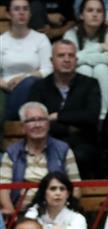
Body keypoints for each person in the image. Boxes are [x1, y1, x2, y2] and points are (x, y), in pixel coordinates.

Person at [29, 41, 101, 177]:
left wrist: (57, 116)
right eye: (61, 55)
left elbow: (91, 117)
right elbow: (35, 120)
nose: (67, 59)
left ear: (76, 60)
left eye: (71, 55)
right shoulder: (39, 87)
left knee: (84, 155)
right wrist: (70, 127)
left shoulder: (90, 84)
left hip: (82, 145)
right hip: (47, 143)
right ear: (52, 60)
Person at [0, 101, 80, 218]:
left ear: (48, 124)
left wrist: (63, 213)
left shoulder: (63, 150)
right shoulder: (12, 152)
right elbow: (3, 186)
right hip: (21, 213)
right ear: (23, 127)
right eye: (31, 120)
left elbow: (76, 185)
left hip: (55, 213)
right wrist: (12, 215)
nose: (37, 124)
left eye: (42, 119)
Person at [62, 0, 108, 121]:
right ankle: (83, 114)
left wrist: (81, 56)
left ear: (104, 15)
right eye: (90, 10)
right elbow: (71, 60)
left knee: (101, 69)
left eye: (99, 11)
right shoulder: (71, 34)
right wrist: (100, 47)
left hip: (107, 75)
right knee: (84, 69)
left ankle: (103, 117)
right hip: (77, 75)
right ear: (81, 15)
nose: (95, 14)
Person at [0, 0, 53, 121]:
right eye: (17, 9)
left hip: (34, 89)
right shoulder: (1, 41)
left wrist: (24, 78)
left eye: (25, 9)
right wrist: (4, 84)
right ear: (8, 14)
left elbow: (48, 69)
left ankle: (13, 119)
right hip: (6, 89)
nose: (22, 12)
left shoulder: (41, 39)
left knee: (30, 83)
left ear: (30, 13)